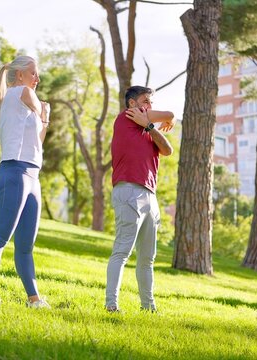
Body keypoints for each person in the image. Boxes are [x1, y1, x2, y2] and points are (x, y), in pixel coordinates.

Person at [0, 55, 51, 309]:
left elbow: (38, 141)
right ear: (19, 75)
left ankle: (34, 299)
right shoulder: (18, 92)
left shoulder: (24, 100)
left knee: (25, 245)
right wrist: (42, 110)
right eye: (33, 73)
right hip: (14, 172)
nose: (37, 78)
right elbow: (36, 103)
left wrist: (45, 120)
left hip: (32, 175)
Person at [105, 85, 175, 312]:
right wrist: (158, 119)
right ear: (133, 104)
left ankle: (149, 308)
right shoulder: (124, 118)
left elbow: (168, 150)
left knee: (147, 258)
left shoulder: (148, 131)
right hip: (128, 191)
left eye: (151, 102)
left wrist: (151, 127)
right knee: (122, 251)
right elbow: (170, 115)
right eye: (146, 101)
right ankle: (111, 305)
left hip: (149, 196)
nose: (150, 106)